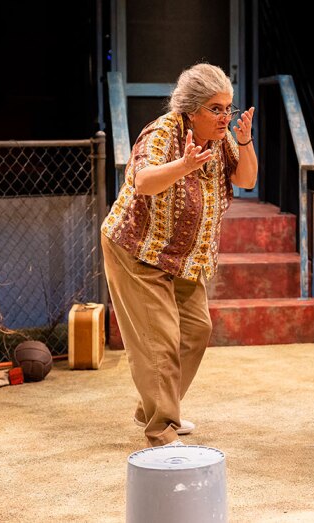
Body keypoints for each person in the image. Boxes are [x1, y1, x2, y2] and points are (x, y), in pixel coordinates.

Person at [100, 62, 257, 447]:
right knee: (161, 339)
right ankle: (161, 429)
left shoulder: (222, 139)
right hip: (137, 250)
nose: (224, 117)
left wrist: (246, 141)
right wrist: (184, 165)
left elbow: (247, 180)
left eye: (228, 108)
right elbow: (143, 182)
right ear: (191, 109)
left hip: (183, 257)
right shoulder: (162, 133)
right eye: (215, 109)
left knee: (196, 330)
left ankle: (152, 406)